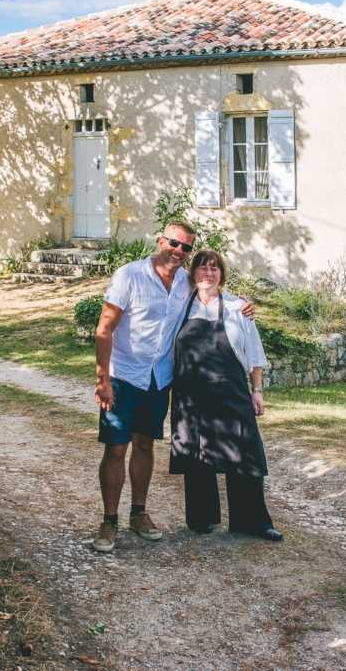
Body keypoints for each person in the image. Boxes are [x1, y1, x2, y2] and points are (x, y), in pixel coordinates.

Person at [92, 223, 255, 553]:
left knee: (144, 445)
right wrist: (103, 380)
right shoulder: (130, 276)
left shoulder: (185, 282)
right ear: (160, 241)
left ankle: (138, 514)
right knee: (116, 449)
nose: (179, 251)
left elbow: (214, 291)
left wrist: (244, 304)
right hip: (124, 376)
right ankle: (109, 521)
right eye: (174, 243)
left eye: (186, 248)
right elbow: (104, 330)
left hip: (158, 379)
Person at [170, 249, 282, 541]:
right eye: (203, 269)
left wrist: (257, 391)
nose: (209, 274)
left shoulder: (237, 308)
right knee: (196, 453)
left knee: (244, 452)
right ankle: (202, 519)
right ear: (193, 273)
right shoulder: (179, 306)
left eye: (215, 269)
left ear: (222, 274)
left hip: (231, 391)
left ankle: (252, 521)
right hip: (190, 395)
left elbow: (255, 355)